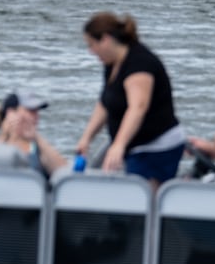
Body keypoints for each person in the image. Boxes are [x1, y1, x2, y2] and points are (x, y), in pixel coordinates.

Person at [75, 11, 186, 187]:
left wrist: (118, 145)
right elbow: (106, 103)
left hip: (157, 147)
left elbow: (138, 108)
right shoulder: (111, 64)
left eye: (91, 45)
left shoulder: (139, 63)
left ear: (106, 39)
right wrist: (86, 138)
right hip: (134, 147)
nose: (91, 52)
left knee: (140, 204)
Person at [0, 92, 67, 178]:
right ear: (10, 113)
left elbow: (64, 173)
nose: (36, 116)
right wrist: (5, 135)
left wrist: (36, 137)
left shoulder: (39, 147)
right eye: (31, 111)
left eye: (37, 111)